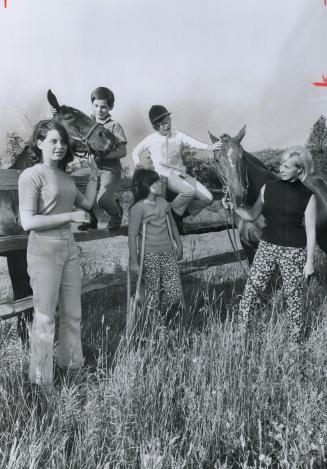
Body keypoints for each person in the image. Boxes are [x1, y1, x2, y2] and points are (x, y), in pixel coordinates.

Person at [18, 120, 99, 390]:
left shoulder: (66, 178)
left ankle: (72, 367)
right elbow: (28, 222)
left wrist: (95, 176)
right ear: (39, 143)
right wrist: (70, 216)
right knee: (44, 316)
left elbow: (86, 204)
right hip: (44, 247)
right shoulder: (31, 175)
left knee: (73, 313)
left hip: (69, 246)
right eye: (53, 141)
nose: (59, 146)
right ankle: (42, 383)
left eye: (62, 142)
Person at [231, 146, 316, 343]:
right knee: (250, 292)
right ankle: (241, 335)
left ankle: (295, 342)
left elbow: (310, 231)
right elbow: (252, 215)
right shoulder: (267, 188)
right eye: (280, 165)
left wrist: (309, 261)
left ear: (299, 170)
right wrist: (234, 207)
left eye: (287, 166)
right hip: (267, 246)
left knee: (294, 298)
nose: (281, 169)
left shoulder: (308, 196)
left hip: (294, 251)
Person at [131, 105, 222, 232]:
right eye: (163, 123)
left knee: (208, 198)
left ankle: (177, 215)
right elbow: (135, 152)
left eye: (168, 120)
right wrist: (137, 164)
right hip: (164, 175)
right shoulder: (151, 139)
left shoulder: (177, 135)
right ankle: (172, 215)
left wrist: (209, 147)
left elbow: (193, 142)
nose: (167, 125)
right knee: (188, 191)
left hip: (181, 174)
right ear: (155, 126)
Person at [57, 86, 127, 231]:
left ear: (110, 107)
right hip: (92, 168)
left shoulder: (114, 126)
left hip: (110, 168)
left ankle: (116, 213)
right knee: (71, 184)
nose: (99, 110)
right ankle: (91, 218)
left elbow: (123, 151)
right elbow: (71, 122)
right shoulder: (89, 122)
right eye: (96, 106)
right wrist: (57, 111)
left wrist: (105, 155)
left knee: (103, 200)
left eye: (103, 107)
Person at [128, 169, 184, 316]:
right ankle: (155, 324)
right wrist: (134, 261)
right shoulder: (138, 208)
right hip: (149, 255)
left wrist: (179, 245)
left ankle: (167, 317)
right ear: (146, 185)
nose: (160, 184)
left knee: (174, 293)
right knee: (153, 293)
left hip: (168, 253)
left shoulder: (163, 203)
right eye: (156, 182)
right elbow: (132, 235)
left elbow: (172, 225)